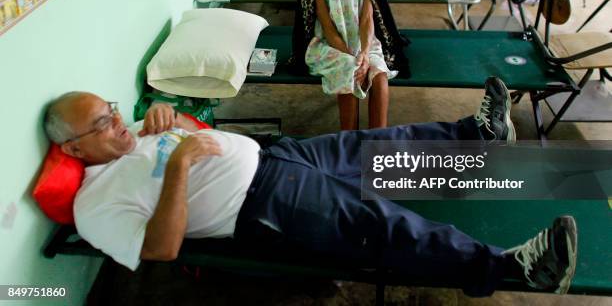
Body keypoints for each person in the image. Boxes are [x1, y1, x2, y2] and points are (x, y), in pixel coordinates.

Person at [43, 77, 577, 297]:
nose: (118, 121)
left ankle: (473, 135)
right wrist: (180, 165)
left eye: (112, 110)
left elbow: (189, 139)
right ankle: (513, 269)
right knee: (385, 228)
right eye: (102, 123)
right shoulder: (95, 202)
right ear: (72, 149)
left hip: (276, 157)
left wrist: (175, 120)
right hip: (263, 205)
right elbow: (160, 249)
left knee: (379, 148)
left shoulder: (134, 134)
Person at [303, 0, 406, 130]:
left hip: (365, 44)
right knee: (348, 69)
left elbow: (368, 20)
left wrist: (365, 54)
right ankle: (348, 139)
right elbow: (328, 29)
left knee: (380, 78)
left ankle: (378, 141)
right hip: (331, 46)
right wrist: (353, 59)